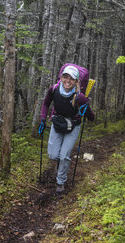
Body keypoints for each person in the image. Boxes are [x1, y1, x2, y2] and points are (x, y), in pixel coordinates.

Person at [39, 65, 94, 193]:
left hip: (73, 125)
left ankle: (60, 182)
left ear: (76, 81)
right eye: (65, 76)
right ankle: (60, 166)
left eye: (71, 78)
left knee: (64, 156)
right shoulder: (54, 89)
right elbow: (46, 103)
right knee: (53, 155)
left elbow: (92, 118)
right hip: (57, 122)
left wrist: (86, 108)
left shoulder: (79, 97)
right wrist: (42, 119)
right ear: (61, 77)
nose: (67, 81)